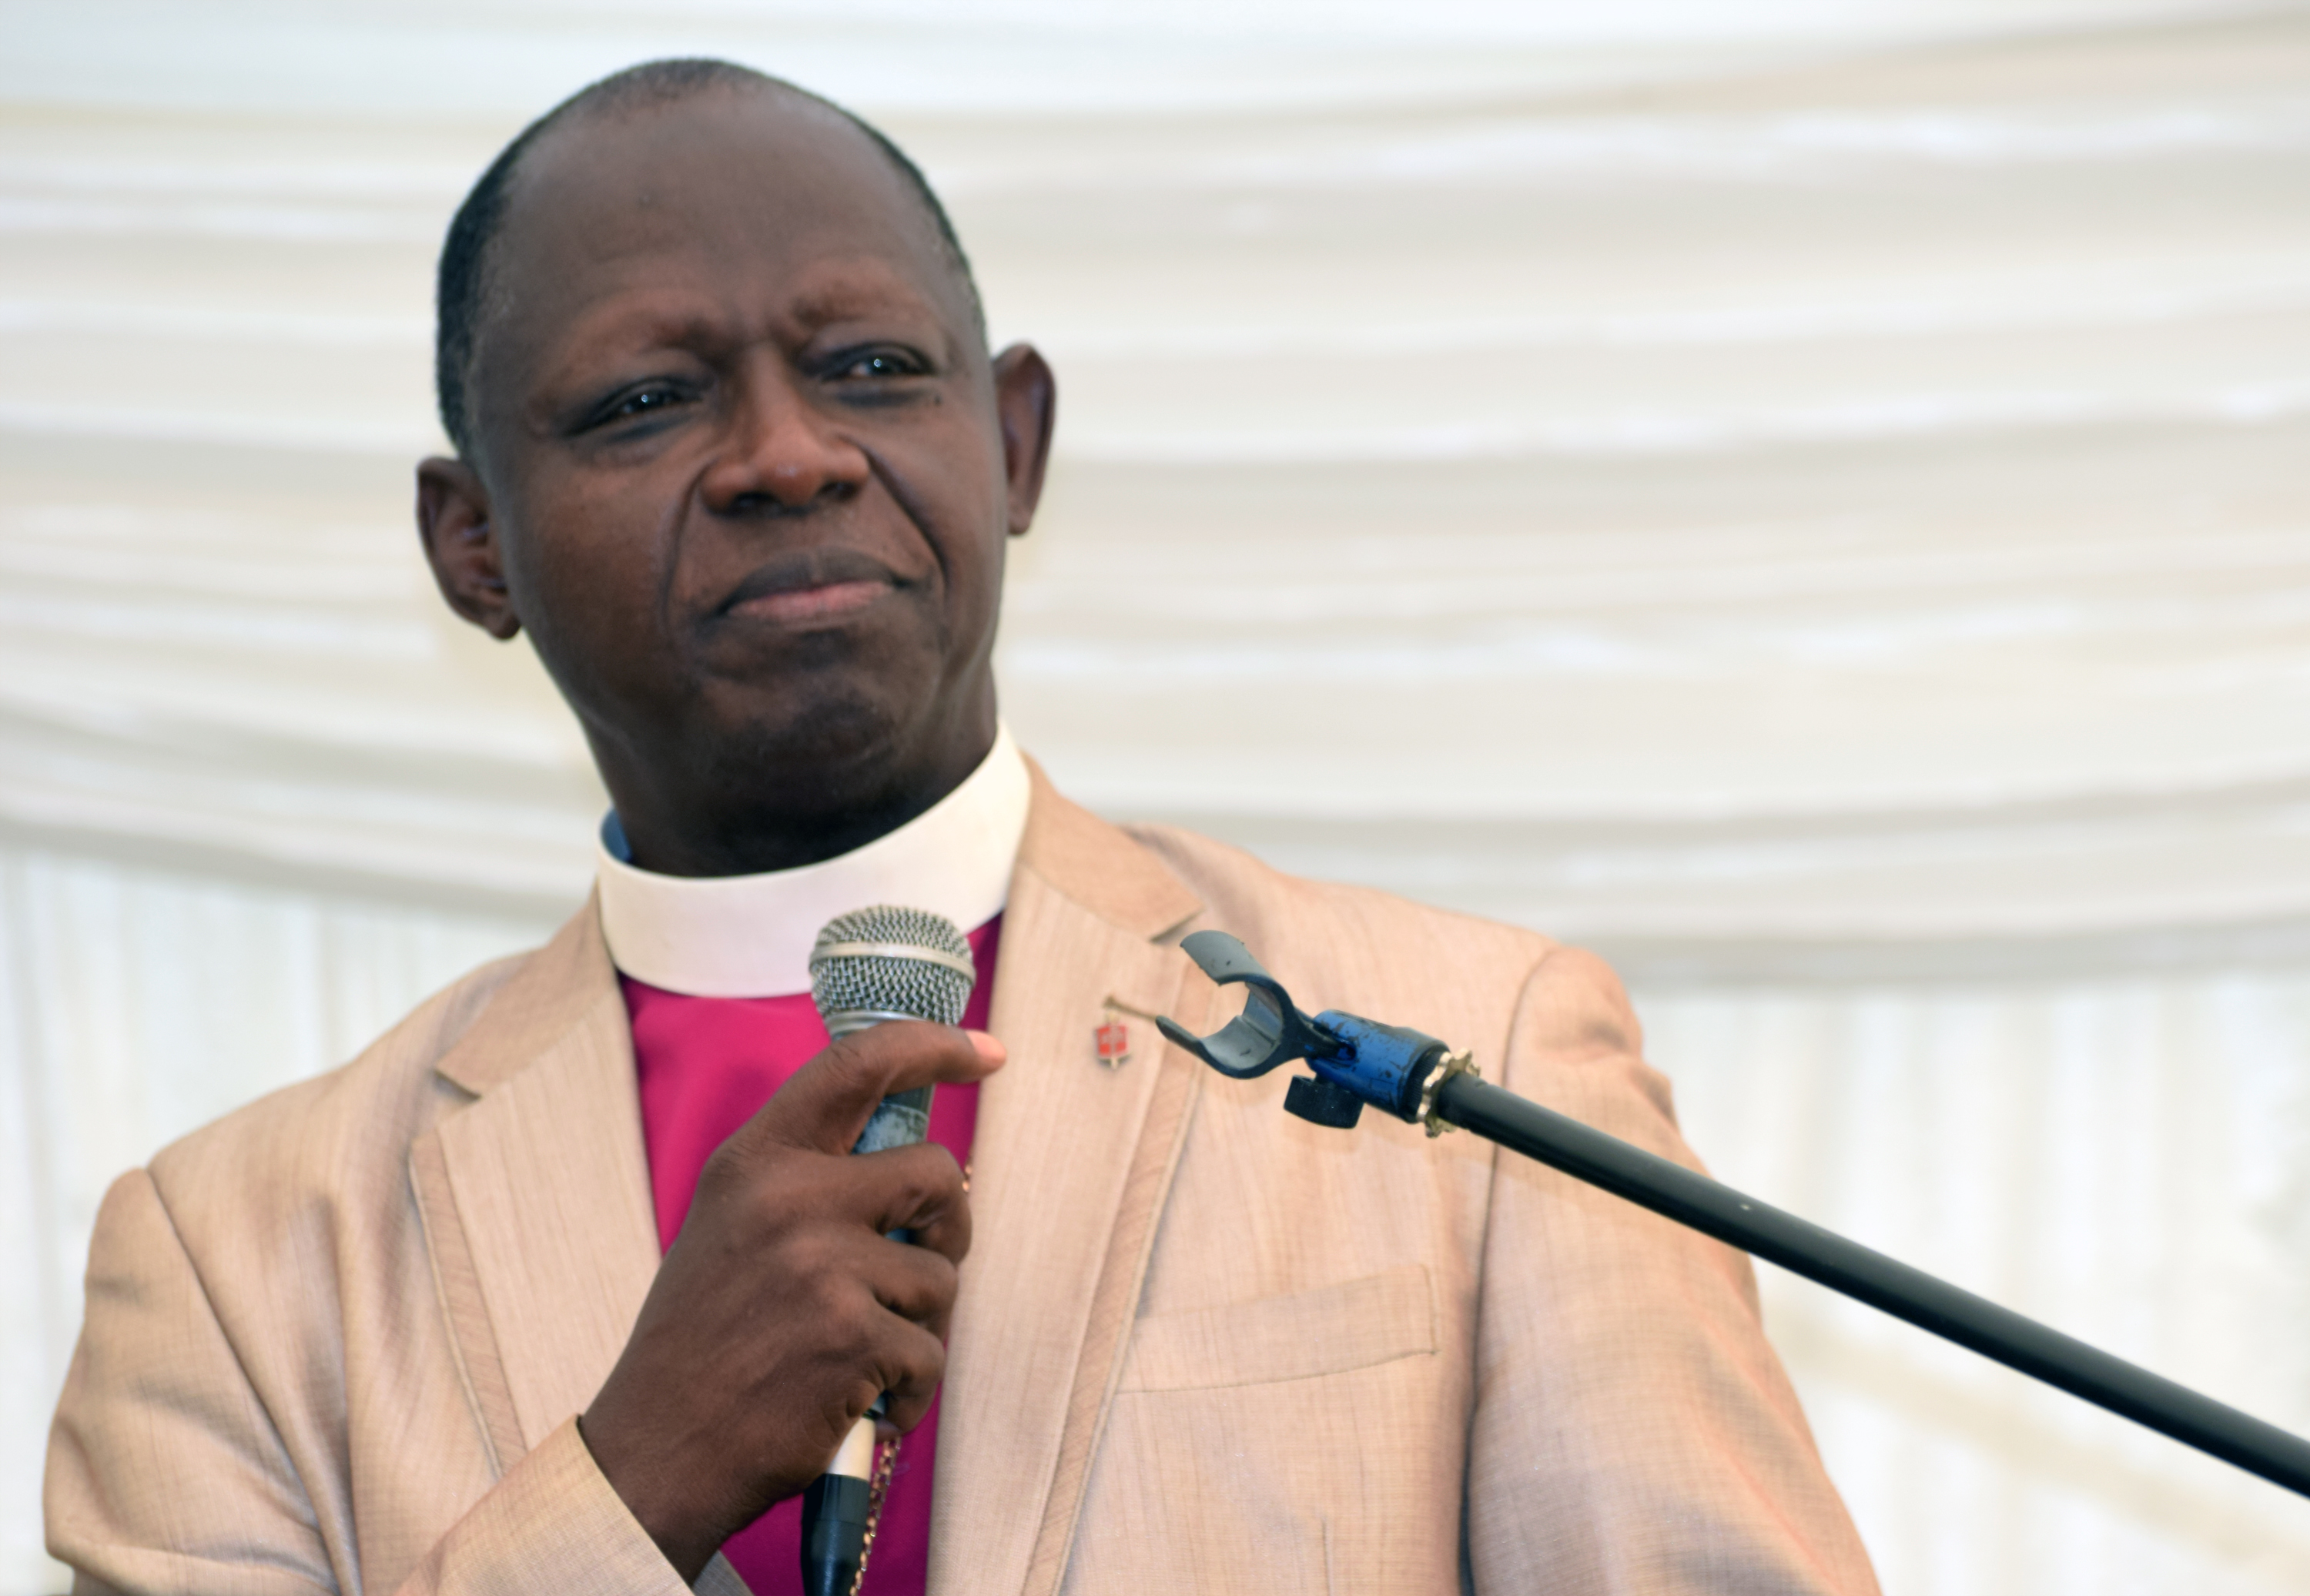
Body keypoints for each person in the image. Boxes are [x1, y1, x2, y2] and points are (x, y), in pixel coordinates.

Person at [45, 59, 1880, 1596]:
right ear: (473, 546)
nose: (788, 454)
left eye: (868, 369)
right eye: (645, 399)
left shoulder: (1470, 1062)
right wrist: (629, 1479)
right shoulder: (236, 1255)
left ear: (1013, 447)